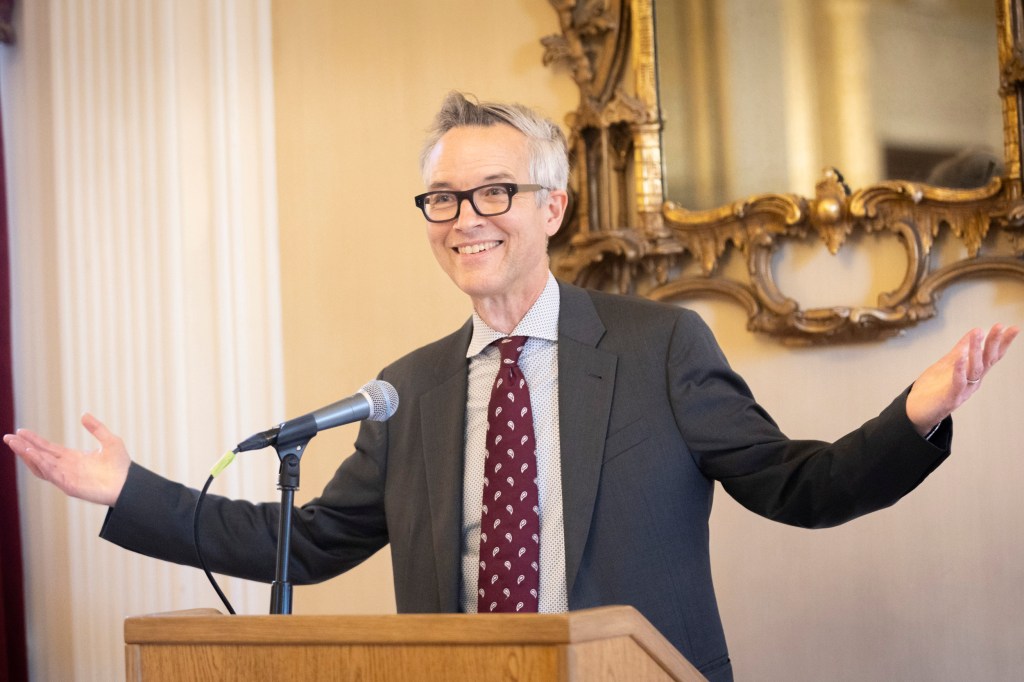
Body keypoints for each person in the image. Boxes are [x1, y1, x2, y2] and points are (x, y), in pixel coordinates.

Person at [4, 92, 1018, 681]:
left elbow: (798, 487)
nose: (463, 217)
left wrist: (914, 415)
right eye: (441, 197)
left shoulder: (661, 345)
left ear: (553, 207)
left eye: (494, 191)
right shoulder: (404, 394)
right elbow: (301, 546)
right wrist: (128, 491)